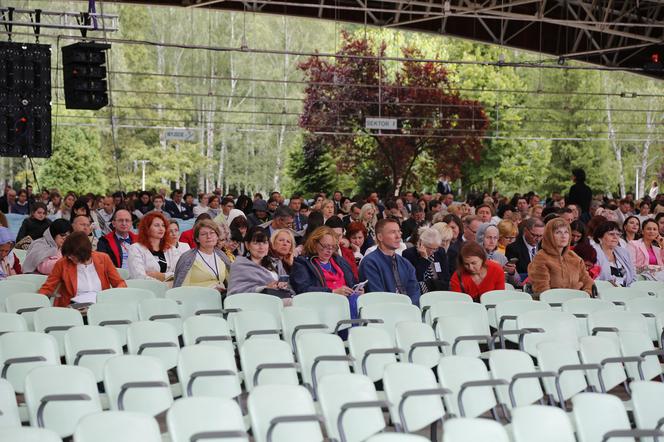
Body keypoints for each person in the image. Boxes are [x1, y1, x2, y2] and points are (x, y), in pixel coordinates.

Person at [38, 232, 126, 307]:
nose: (69, 258)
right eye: (68, 255)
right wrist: (37, 302)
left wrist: (114, 296)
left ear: (83, 253)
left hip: (100, 306)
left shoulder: (104, 258)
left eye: (73, 256)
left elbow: (119, 282)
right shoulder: (62, 263)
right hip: (72, 308)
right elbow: (48, 287)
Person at [358, 218, 420, 305]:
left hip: (408, 311)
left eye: (399, 231)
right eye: (393, 232)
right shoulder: (369, 262)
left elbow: (414, 292)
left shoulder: (405, 263)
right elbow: (377, 295)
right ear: (380, 237)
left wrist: (410, 308)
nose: (398, 236)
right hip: (384, 311)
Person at [527, 218, 594, 297]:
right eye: (558, 232)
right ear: (549, 236)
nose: (563, 236)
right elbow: (542, 290)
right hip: (552, 305)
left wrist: (585, 294)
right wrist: (572, 292)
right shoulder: (541, 258)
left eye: (566, 232)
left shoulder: (574, 257)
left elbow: (587, 281)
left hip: (576, 303)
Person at [290, 226, 358, 295]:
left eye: (333, 247)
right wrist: (332, 292)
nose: (329, 251)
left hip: (346, 301)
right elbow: (302, 289)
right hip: (322, 303)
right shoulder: (302, 262)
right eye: (325, 246)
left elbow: (352, 282)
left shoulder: (339, 260)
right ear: (314, 243)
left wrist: (356, 289)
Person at [227, 227, 292, 298]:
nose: (261, 247)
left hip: (280, 302)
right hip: (255, 305)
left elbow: (289, 289)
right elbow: (234, 293)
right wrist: (264, 288)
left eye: (265, 243)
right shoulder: (239, 265)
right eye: (256, 243)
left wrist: (282, 286)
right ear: (247, 245)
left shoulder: (276, 264)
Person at [172, 219, 231, 290]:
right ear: (197, 239)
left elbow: (231, 281)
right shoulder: (187, 258)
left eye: (212, 233)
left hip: (219, 298)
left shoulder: (222, 256)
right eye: (203, 234)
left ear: (217, 236)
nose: (209, 236)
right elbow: (180, 288)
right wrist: (209, 289)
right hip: (196, 299)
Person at [128, 212, 183, 281]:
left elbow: (180, 273)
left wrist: (161, 276)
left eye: (163, 225)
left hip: (169, 289)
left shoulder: (171, 249)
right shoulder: (135, 248)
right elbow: (139, 277)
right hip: (145, 289)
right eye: (156, 225)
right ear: (147, 228)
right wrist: (166, 281)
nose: (161, 228)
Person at [402, 227, 451, 293]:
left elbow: (446, 278)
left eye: (435, 248)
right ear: (421, 243)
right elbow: (415, 279)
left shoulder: (440, 252)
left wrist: (432, 284)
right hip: (420, 292)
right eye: (430, 248)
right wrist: (424, 259)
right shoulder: (409, 254)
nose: (433, 251)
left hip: (439, 290)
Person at [592, 221, 636, 287]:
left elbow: (633, 276)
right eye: (611, 234)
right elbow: (592, 278)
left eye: (618, 234)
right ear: (600, 237)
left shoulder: (624, 253)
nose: (615, 237)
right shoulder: (593, 253)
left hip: (626, 291)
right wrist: (606, 284)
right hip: (603, 292)